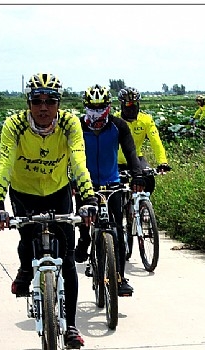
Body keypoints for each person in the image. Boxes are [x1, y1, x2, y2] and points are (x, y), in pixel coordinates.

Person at [0, 73, 98, 350]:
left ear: (59, 103)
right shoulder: (14, 125)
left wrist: (88, 197)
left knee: (67, 260)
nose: (44, 107)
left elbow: (78, 161)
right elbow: (5, 164)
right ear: (28, 103)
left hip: (58, 191)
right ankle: (26, 269)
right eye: (37, 101)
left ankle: (70, 326)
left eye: (51, 101)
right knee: (27, 239)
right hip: (24, 192)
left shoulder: (69, 123)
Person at [76, 84, 144, 297]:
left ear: (109, 106)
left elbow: (130, 151)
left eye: (101, 107)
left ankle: (120, 278)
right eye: (92, 107)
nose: (97, 111)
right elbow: (68, 154)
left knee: (117, 231)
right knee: (83, 221)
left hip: (112, 182)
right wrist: (71, 180)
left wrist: (137, 175)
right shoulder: (77, 127)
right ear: (86, 106)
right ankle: (84, 239)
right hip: (86, 184)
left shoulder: (118, 125)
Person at [116, 87, 171, 195]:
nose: (131, 109)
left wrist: (162, 162)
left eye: (134, 105)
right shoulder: (115, 120)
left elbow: (156, 142)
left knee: (149, 179)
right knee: (116, 191)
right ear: (122, 105)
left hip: (136, 158)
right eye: (128, 105)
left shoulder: (146, 120)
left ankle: (143, 202)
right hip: (117, 161)